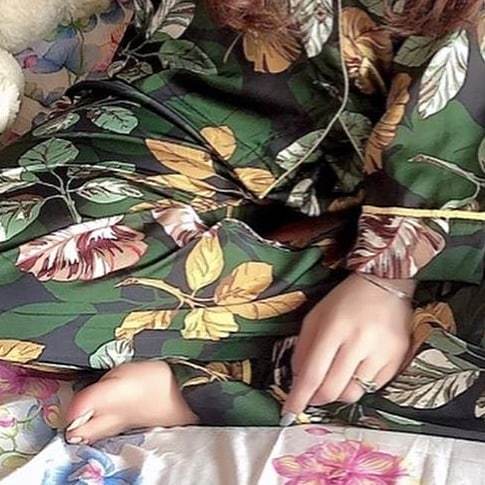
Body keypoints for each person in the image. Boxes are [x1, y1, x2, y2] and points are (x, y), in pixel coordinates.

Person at [0, 0, 484, 446]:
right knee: (20, 270)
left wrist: (388, 276)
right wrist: (386, 279)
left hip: (436, 201)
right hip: (198, 109)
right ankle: (333, 337)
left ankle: (232, 381)